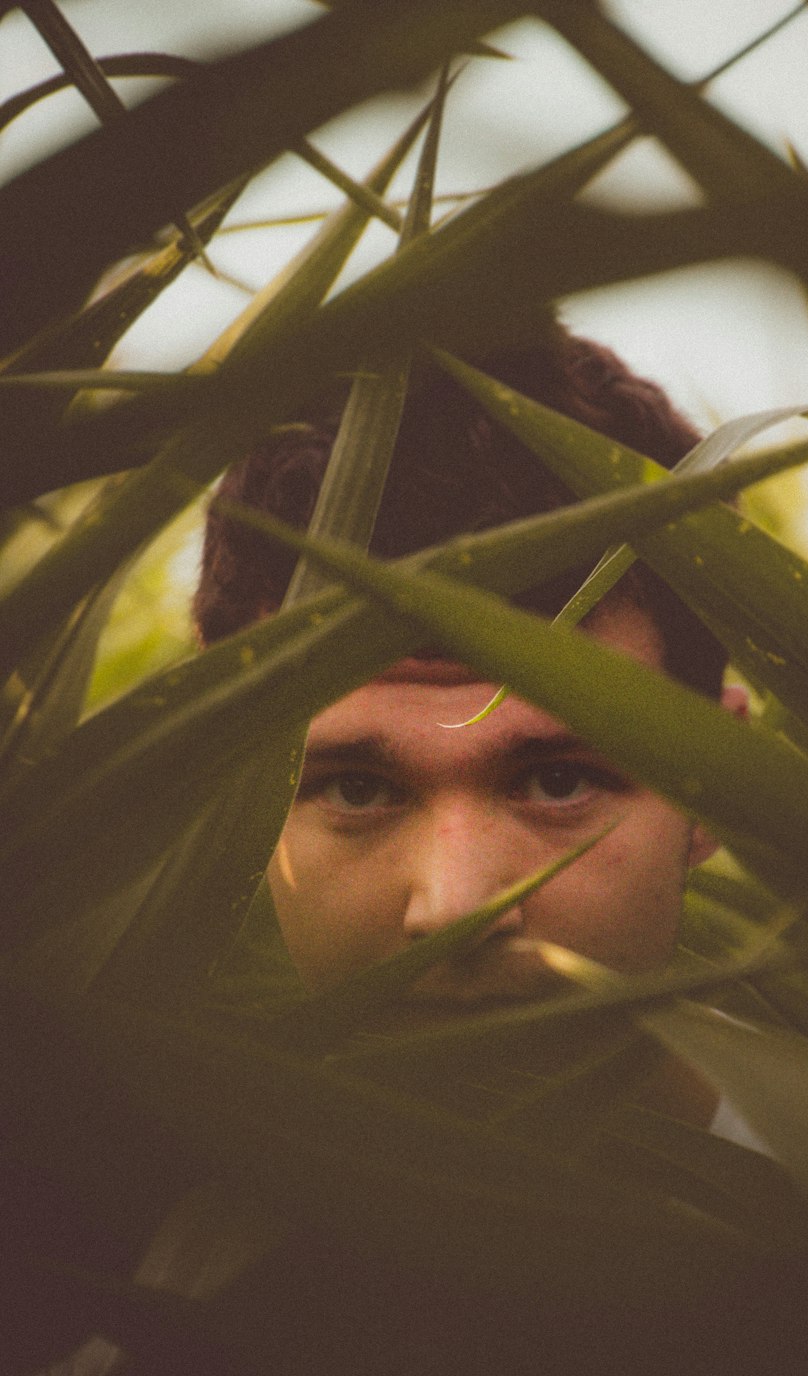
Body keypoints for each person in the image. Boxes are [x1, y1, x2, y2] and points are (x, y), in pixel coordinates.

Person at [195, 323, 749, 1131]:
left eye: (558, 781)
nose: (453, 912)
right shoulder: (99, 1227)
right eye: (356, 790)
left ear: (723, 789)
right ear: (229, 797)